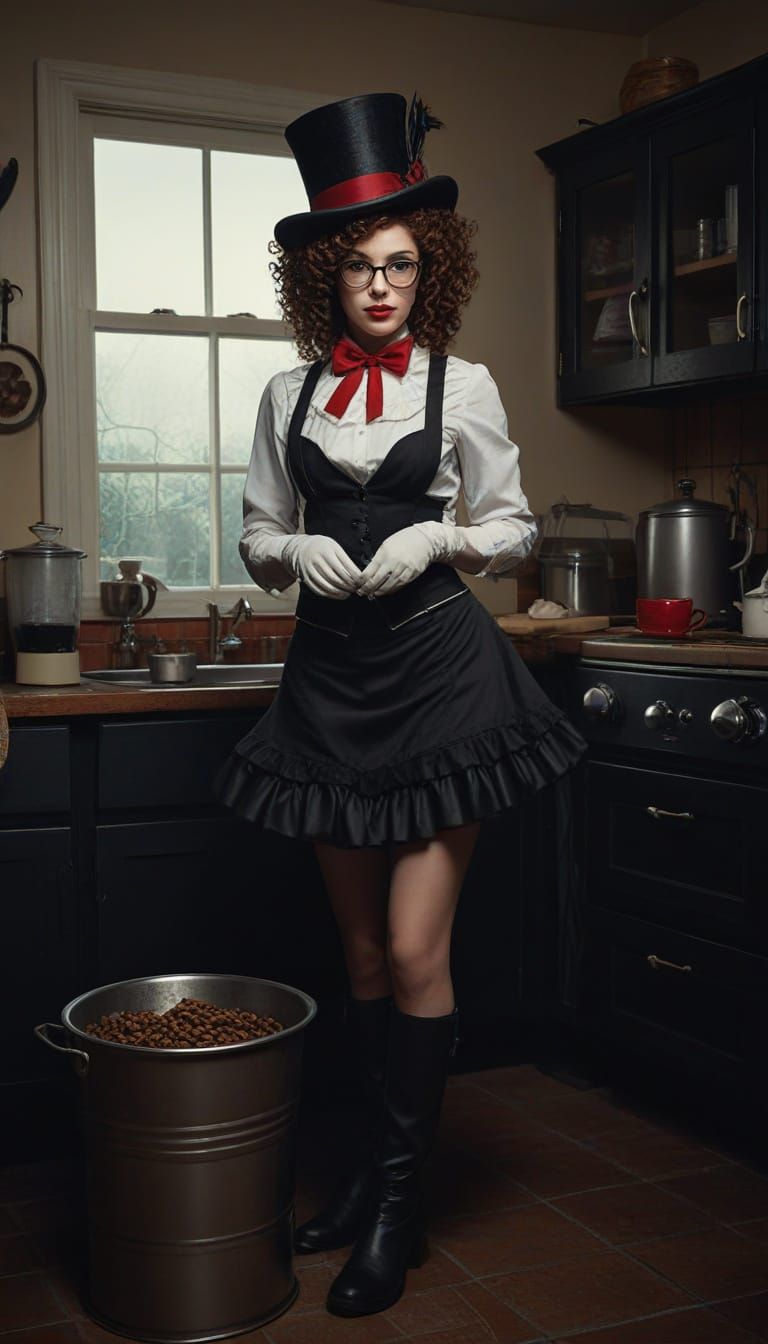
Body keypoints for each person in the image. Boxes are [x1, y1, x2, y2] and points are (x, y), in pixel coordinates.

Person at [214, 91, 588, 1318]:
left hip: (440, 680)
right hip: (329, 686)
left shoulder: (463, 384)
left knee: (420, 947)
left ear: (428, 270)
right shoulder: (286, 396)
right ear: (328, 272)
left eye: (404, 265)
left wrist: (442, 543)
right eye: (363, 267)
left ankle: (395, 1208)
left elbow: (516, 525)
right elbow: (261, 527)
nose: (384, 287)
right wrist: (287, 559)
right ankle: (369, 1181)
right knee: (362, 952)